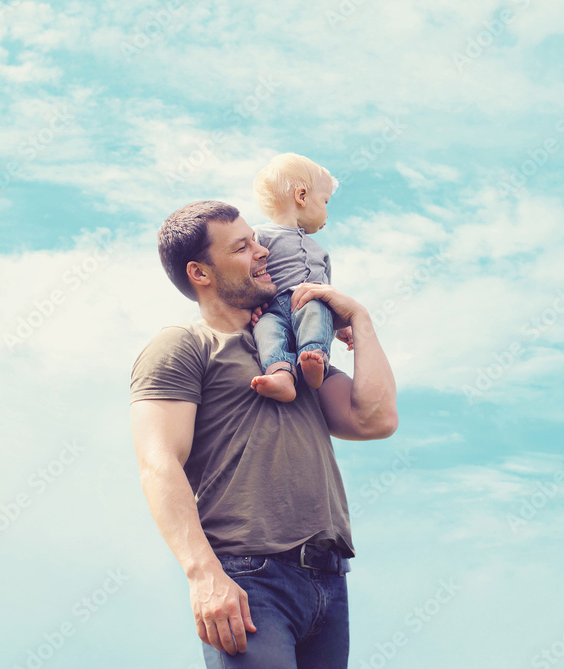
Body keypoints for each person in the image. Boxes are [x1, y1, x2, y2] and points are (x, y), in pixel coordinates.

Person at [130, 200, 397, 668]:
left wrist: (361, 321)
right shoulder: (183, 346)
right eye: (242, 246)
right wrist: (202, 574)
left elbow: (375, 419)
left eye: (256, 240)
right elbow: (158, 463)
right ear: (201, 273)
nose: (262, 252)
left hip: (329, 581)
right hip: (248, 578)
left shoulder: (297, 358)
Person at [249, 153, 353, 403]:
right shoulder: (259, 235)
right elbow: (248, 272)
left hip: (309, 302)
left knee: (316, 310)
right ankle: (281, 375)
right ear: (302, 196)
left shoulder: (321, 252)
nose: (327, 211)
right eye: (325, 201)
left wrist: (343, 325)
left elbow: (329, 294)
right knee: (266, 330)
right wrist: (250, 307)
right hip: (272, 308)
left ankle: (314, 358)